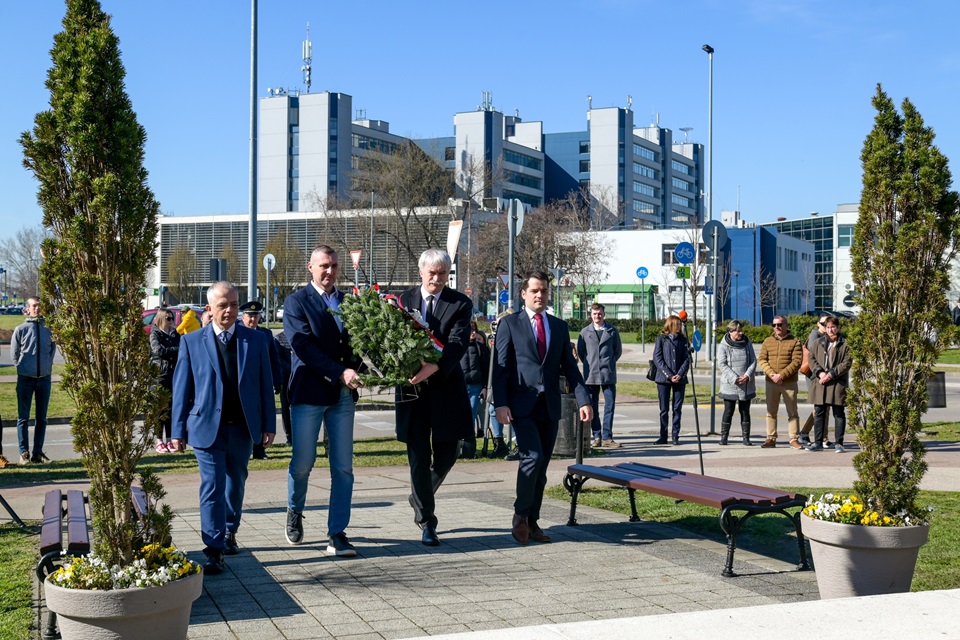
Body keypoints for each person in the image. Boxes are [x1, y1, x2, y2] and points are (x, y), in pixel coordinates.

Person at [171, 281, 276, 575]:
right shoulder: (192, 342)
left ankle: (230, 529)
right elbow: (181, 389)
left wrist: (269, 424)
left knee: (235, 483)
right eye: (222, 305)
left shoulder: (255, 341)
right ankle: (213, 548)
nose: (229, 311)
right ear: (209, 308)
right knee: (212, 486)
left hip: (242, 427)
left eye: (233, 305)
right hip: (206, 428)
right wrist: (177, 431)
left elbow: (265, 385)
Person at [493, 271, 592, 545]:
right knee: (532, 458)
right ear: (523, 293)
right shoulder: (510, 324)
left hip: (549, 406)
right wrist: (500, 403)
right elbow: (500, 368)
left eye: (544, 291)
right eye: (535, 290)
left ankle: (533, 521)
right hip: (521, 405)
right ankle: (520, 516)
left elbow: (570, 368)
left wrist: (584, 400)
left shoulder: (558, 327)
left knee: (542, 466)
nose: (540, 295)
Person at [283, 245, 365, 556]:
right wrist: (340, 371)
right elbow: (303, 346)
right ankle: (294, 509)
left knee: (343, 467)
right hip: (309, 393)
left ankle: (337, 533)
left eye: (333, 266)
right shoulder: (296, 302)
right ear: (311, 267)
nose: (329, 271)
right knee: (303, 463)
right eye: (323, 266)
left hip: (342, 396)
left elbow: (359, 342)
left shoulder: (349, 302)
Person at [396, 248, 473, 546]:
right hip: (412, 391)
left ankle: (419, 495)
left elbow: (457, 342)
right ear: (421, 272)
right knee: (418, 457)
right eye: (432, 273)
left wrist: (435, 366)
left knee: (447, 454)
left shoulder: (460, 303)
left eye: (443, 274)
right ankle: (427, 521)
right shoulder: (402, 301)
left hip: (446, 388)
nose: (437, 279)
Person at [12, 297, 56, 464]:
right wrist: (22, 368)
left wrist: (46, 366)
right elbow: (15, 354)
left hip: (44, 379)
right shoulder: (21, 329)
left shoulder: (48, 329)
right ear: (28, 309)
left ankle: (38, 453)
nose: (37, 309)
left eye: (39, 306)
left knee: (42, 418)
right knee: (23, 418)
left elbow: (52, 350)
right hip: (25, 379)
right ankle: (24, 453)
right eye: (34, 306)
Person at [577, 303, 623, 448]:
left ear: (604, 314)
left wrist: (609, 363)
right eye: (595, 314)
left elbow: (617, 351)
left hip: (608, 374)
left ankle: (607, 437)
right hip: (591, 375)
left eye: (600, 313)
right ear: (591, 315)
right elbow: (581, 352)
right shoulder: (585, 332)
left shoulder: (612, 331)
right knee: (593, 406)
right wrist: (590, 363)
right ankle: (596, 436)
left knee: (610, 405)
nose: (597, 316)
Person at [239, 301, 281, 460]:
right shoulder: (237, 332)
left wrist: (277, 380)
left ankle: (259, 450)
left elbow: (273, 358)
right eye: (249, 316)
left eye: (255, 316)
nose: (252, 319)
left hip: (260, 382)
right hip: (243, 382)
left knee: (261, 415)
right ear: (243, 317)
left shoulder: (266, 334)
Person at [756, 315, 803, 449]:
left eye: (780, 324)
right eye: (774, 325)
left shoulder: (795, 341)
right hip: (771, 382)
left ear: (786, 325)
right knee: (771, 411)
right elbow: (762, 360)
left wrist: (781, 375)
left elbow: (797, 362)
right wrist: (772, 374)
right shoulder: (767, 341)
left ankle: (794, 439)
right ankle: (771, 438)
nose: (776, 327)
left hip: (789, 383)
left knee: (792, 412)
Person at [806, 316, 851, 453]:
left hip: (837, 382)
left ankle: (839, 443)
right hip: (820, 382)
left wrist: (831, 374)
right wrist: (820, 373)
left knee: (838, 413)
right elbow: (811, 358)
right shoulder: (818, 342)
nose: (830, 330)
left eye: (833, 327)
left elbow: (847, 363)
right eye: (828, 327)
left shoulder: (845, 344)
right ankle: (818, 442)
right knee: (819, 412)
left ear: (838, 328)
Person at [716, 320, 756, 446]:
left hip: (746, 384)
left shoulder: (747, 342)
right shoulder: (724, 345)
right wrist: (734, 378)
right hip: (730, 384)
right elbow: (722, 364)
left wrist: (747, 375)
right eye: (738, 331)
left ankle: (746, 438)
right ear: (730, 332)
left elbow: (753, 360)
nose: (741, 333)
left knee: (745, 411)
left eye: (741, 330)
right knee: (729, 411)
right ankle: (724, 437)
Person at [652, 315, 689, 445]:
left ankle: (675, 436)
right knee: (664, 409)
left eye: (680, 324)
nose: (679, 326)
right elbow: (657, 358)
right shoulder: (661, 339)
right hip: (663, 379)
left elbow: (687, 359)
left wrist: (680, 374)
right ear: (670, 325)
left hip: (680, 379)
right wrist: (668, 375)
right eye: (676, 324)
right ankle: (663, 436)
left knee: (677, 409)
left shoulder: (683, 340)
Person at [150, 308, 181, 452]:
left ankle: (169, 440)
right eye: (168, 318)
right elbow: (158, 351)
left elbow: (182, 349)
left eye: (172, 318)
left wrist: (171, 351)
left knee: (170, 409)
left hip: (173, 374)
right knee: (159, 409)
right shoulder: (155, 334)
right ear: (161, 319)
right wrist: (174, 350)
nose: (171, 321)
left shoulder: (175, 334)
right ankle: (159, 441)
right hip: (159, 375)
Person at [799, 316, 829, 447]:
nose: (826, 326)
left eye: (828, 323)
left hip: (824, 375)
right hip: (814, 376)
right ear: (818, 324)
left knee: (824, 406)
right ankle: (810, 434)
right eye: (823, 323)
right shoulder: (815, 335)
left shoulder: (827, 336)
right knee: (820, 406)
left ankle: (821, 436)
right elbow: (815, 356)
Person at [460, 323, 490, 434]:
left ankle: (468, 440)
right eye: (471, 330)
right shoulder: (457, 346)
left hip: (476, 386)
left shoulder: (481, 347)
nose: (473, 333)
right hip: (460, 386)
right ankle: (461, 440)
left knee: (471, 413)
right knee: (460, 414)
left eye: (474, 330)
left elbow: (486, 368)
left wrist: (485, 387)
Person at [274, 329, 293, 443]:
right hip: (286, 380)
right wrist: (294, 369)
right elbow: (279, 360)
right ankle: (289, 435)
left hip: (302, 379)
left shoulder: (302, 335)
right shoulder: (279, 339)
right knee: (286, 407)